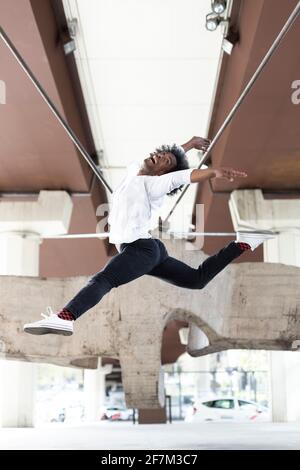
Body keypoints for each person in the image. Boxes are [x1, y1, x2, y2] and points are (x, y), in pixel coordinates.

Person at [23, 136, 275, 336]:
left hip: (140, 249)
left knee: (105, 279)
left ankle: (66, 317)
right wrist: (187, 145)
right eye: (159, 154)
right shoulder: (135, 171)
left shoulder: (155, 185)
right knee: (196, 280)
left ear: (162, 175)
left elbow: (185, 176)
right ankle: (244, 242)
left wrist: (212, 172)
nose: (158, 157)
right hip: (149, 250)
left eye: (164, 161)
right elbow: (172, 155)